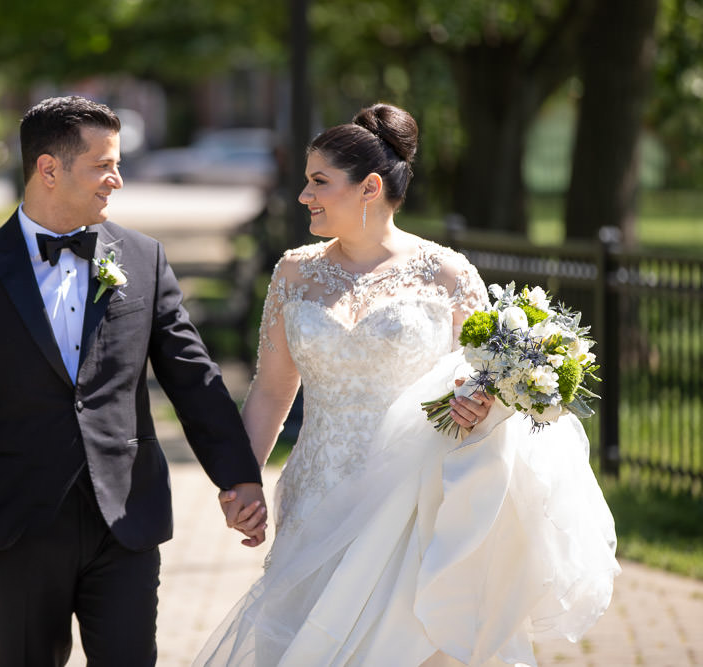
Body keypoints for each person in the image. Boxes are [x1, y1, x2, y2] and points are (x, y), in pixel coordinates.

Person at [196, 104, 620, 666]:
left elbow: (484, 382)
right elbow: (272, 391)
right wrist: (242, 481)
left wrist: (478, 402)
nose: (303, 196)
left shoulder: (447, 274)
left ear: (369, 187)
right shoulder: (293, 273)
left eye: (319, 182)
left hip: (418, 501)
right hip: (317, 496)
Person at [0, 95, 268, 666]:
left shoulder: (144, 259)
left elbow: (193, 377)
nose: (116, 180)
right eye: (103, 166)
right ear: (49, 169)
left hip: (127, 518)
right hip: (20, 523)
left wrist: (239, 476)